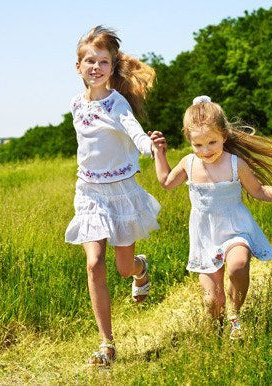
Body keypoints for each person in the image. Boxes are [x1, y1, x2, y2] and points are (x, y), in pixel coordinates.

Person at [150, 95, 272, 339]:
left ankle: (235, 314)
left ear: (223, 134)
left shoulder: (235, 164)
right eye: (198, 145)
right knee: (212, 303)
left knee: (238, 265)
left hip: (236, 228)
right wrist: (159, 153)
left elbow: (260, 191)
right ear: (189, 141)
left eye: (212, 142)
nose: (206, 150)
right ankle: (219, 325)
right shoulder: (189, 164)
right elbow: (166, 182)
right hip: (205, 235)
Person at [65, 25, 164, 366]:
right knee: (94, 264)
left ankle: (140, 269)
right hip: (89, 193)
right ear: (78, 66)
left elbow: (134, 132)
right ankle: (107, 345)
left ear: (112, 66)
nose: (95, 67)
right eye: (89, 61)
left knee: (122, 268)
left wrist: (151, 147)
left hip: (121, 191)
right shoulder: (76, 104)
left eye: (102, 61)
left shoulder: (117, 102)